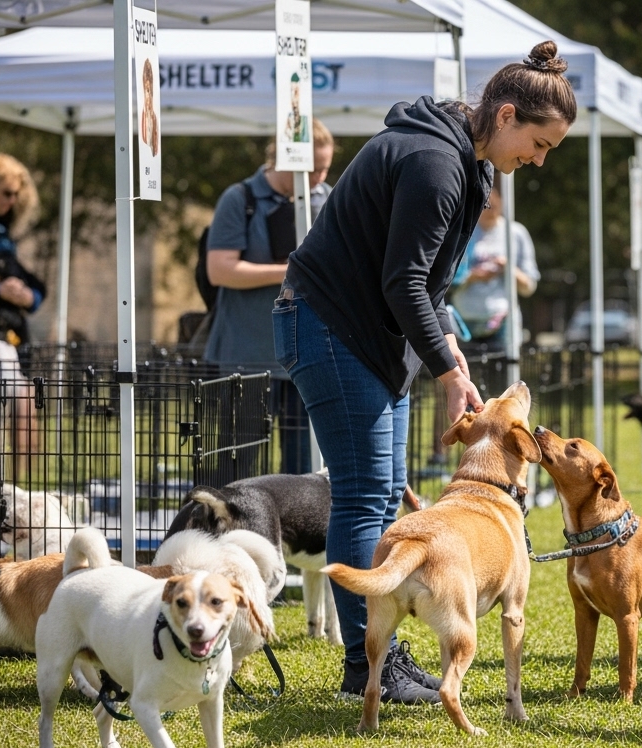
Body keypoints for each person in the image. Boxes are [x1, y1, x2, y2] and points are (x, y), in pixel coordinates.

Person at [273, 41, 576, 705]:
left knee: (386, 495)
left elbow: (430, 280)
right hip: (327, 325)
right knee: (364, 491)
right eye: (539, 142)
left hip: (371, 338)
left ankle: (382, 656)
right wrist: (443, 371)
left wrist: (451, 350)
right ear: (504, 115)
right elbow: (402, 278)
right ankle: (364, 668)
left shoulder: (468, 168)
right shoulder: (435, 163)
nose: (539, 160)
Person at [205, 118, 336, 476]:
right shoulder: (240, 199)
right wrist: (293, 270)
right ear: (285, 158)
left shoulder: (325, 199)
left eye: (325, 168)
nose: (320, 178)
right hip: (246, 357)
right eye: (313, 169)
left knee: (302, 469)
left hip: (305, 357)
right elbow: (220, 269)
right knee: (236, 467)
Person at [0, 153, 45, 474]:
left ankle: (19, 486)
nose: (12, 199)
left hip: (10, 335)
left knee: (24, 402)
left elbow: (35, 289)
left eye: (17, 193)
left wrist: (26, 295)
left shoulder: (1, 230)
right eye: (6, 193)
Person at [452, 172, 540, 351]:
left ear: (502, 201)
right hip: (464, 321)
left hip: (502, 322)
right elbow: (443, 280)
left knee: (504, 375)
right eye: (485, 203)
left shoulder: (516, 234)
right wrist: (473, 277)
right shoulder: (462, 232)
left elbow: (529, 286)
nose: (489, 207)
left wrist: (507, 268)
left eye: (494, 202)